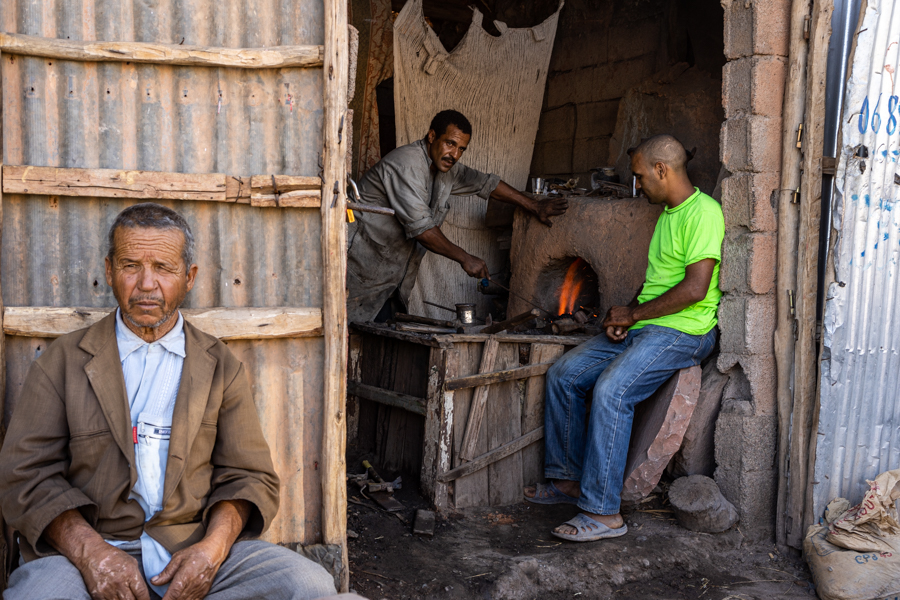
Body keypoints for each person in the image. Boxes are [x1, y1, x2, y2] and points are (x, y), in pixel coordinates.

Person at [0, 203, 338, 599]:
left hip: (190, 546)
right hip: (90, 549)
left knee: (310, 585)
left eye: (163, 268)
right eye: (130, 266)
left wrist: (211, 552)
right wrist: (93, 554)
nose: (146, 284)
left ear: (188, 276)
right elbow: (26, 475)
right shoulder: (63, 362)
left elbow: (250, 477)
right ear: (109, 271)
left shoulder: (220, 366)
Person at [524, 135, 724, 542]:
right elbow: (656, 285)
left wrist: (634, 314)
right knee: (565, 374)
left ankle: (603, 513)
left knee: (613, 391)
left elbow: (695, 289)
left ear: (662, 170)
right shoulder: (669, 214)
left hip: (687, 331)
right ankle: (567, 481)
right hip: (650, 325)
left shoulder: (703, 213)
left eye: (640, 176)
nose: (638, 185)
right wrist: (626, 315)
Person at [346, 109, 568, 322]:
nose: (455, 154)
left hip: (391, 280)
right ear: (432, 136)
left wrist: (533, 206)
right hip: (358, 270)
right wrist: (466, 258)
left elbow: (486, 183)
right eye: (450, 143)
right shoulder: (407, 164)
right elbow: (422, 230)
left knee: (377, 344)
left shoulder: (445, 168)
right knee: (344, 337)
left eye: (461, 149)